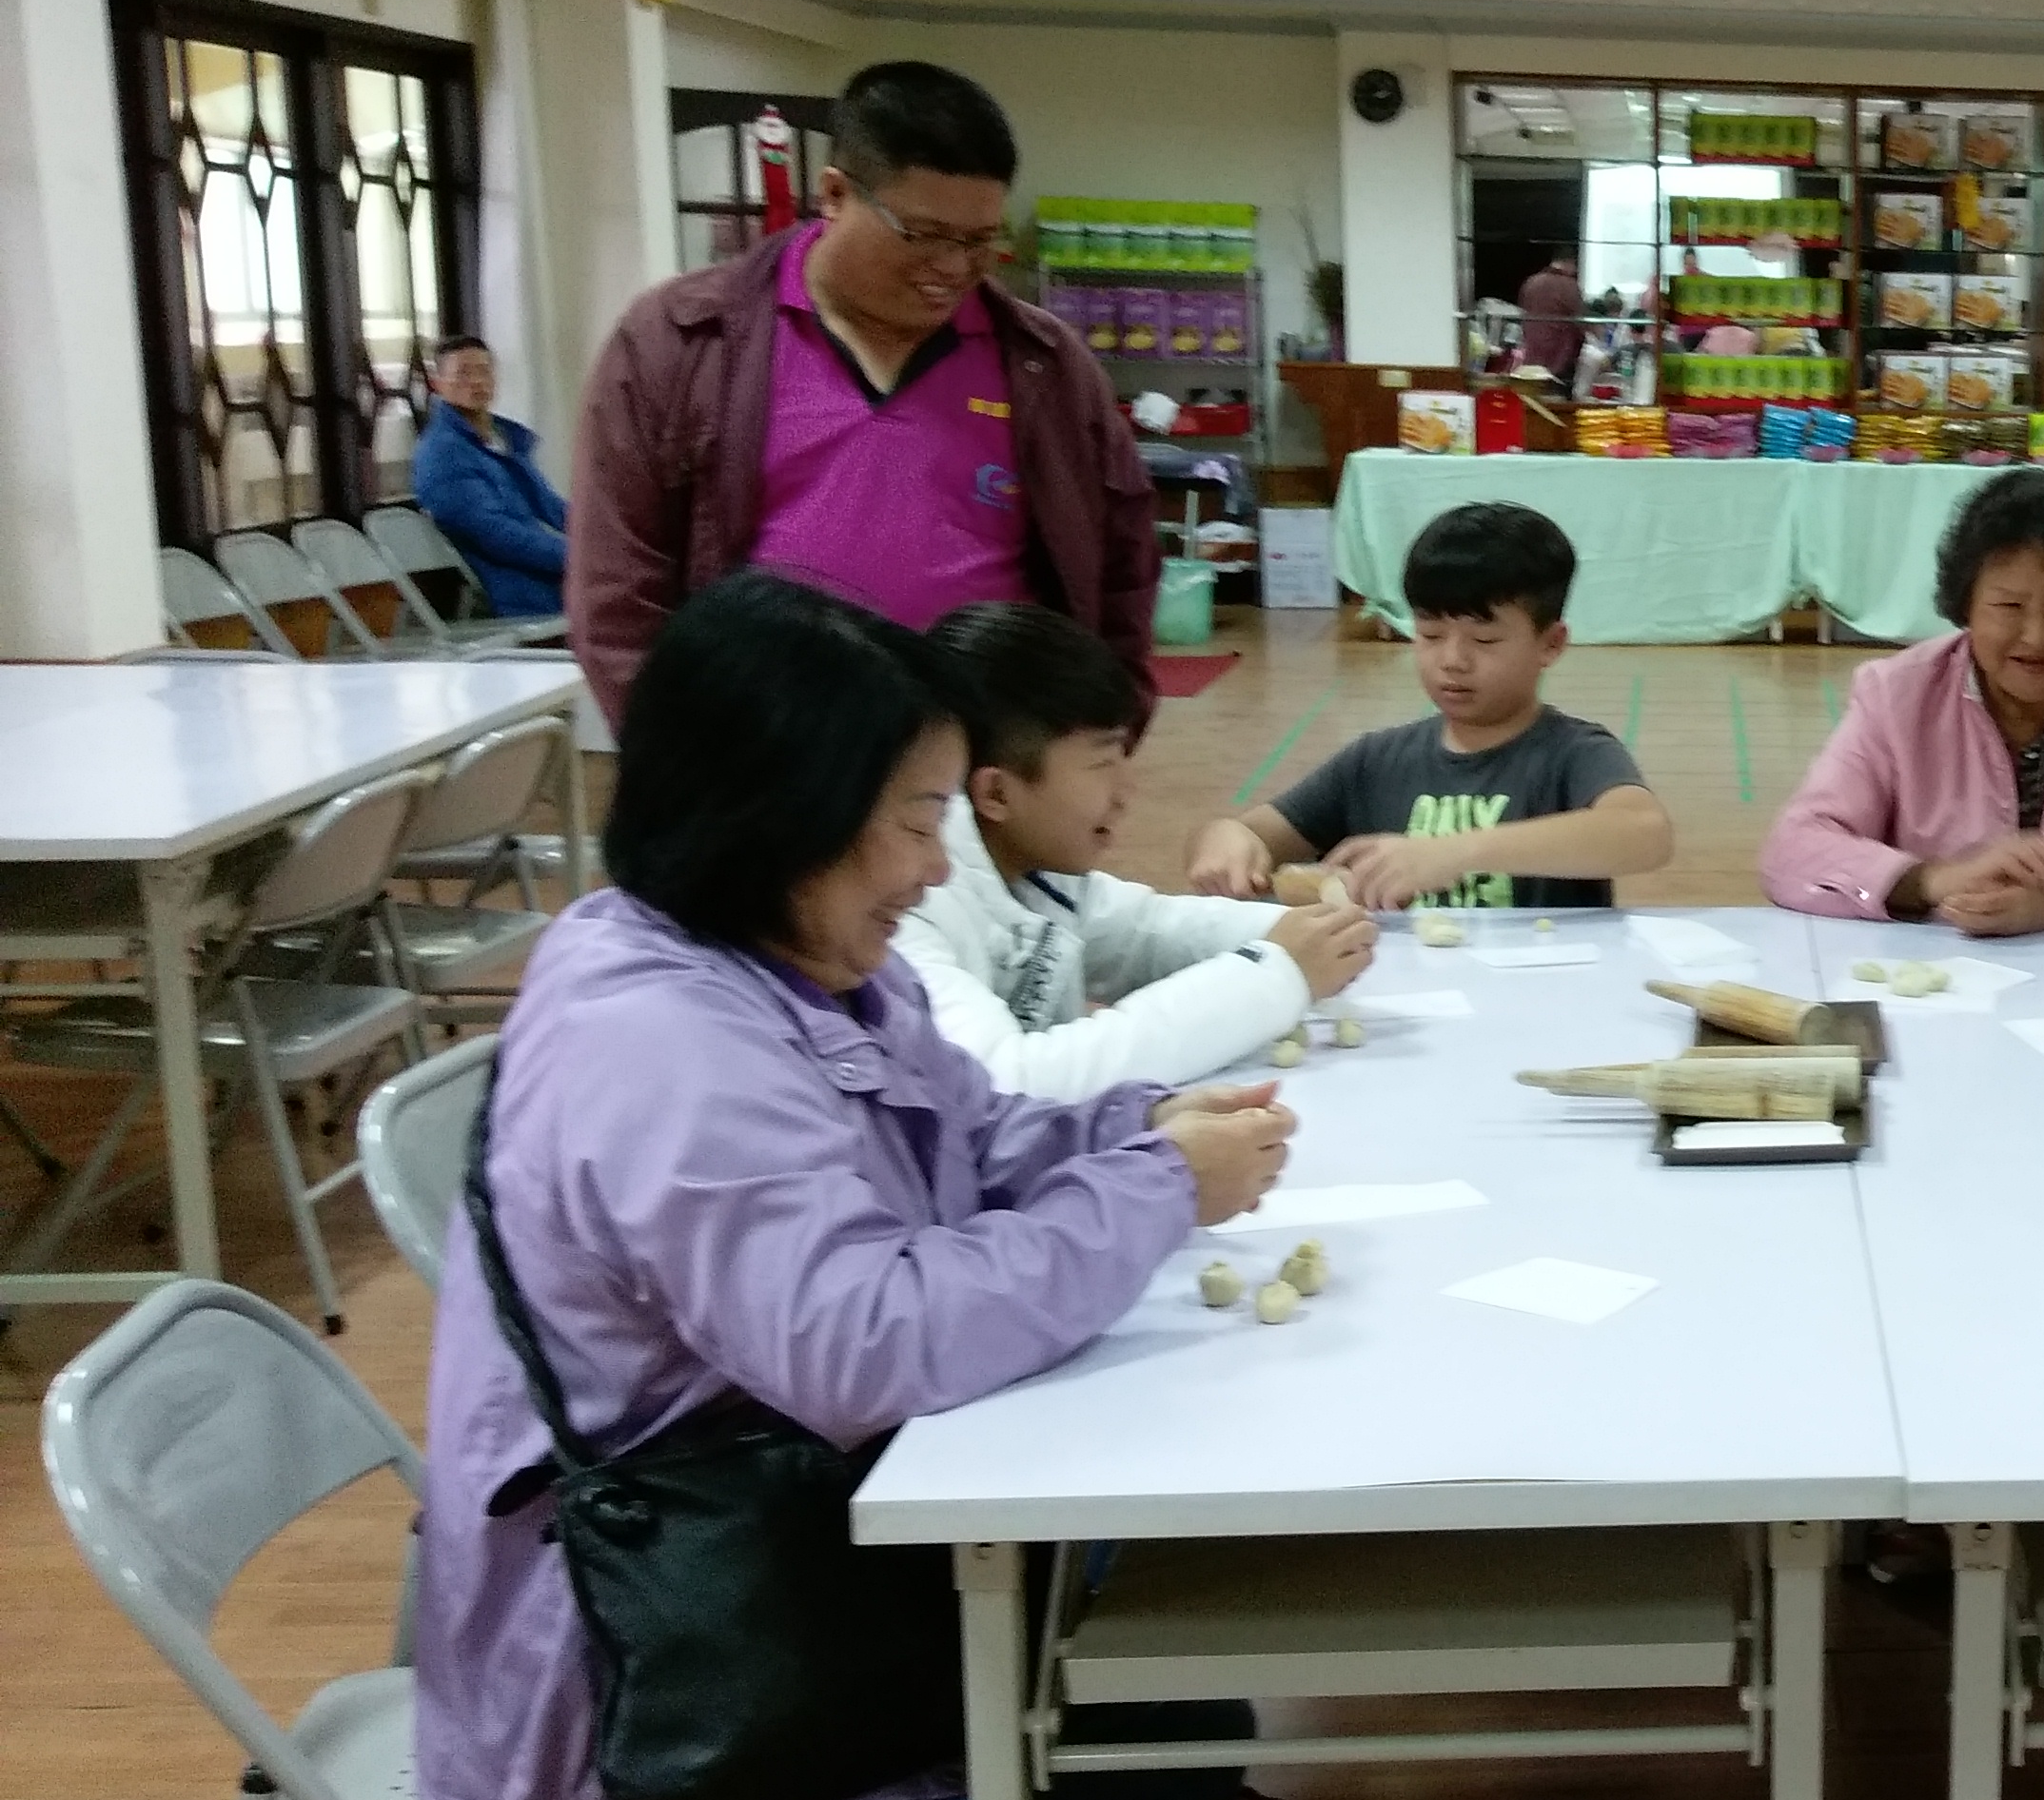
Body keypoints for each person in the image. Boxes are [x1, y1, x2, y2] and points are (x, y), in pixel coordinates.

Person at [411, 574, 1300, 1800]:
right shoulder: (663, 1041)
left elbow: (975, 1134)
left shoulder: (800, 963)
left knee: (1166, 1725)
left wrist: (1142, 1131)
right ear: (775, 813)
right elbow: (864, 1341)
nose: (931, 862)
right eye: (909, 817)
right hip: (669, 1675)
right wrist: (1151, 1192)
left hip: (822, 1562)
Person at [567, 60, 1160, 724]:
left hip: (992, 760)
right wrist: (694, 769)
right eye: (926, 235)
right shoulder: (681, 342)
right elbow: (617, 590)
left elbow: (1125, 559)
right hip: (771, 760)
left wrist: (1104, 728)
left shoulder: (1043, 363)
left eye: (979, 241)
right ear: (835, 194)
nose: (953, 267)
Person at [900, 600, 1379, 1100]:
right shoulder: (909, 909)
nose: (1128, 791)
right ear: (996, 794)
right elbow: (1011, 1083)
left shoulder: (1028, 866)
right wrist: (1278, 976)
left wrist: (1293, 934)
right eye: (1104, 761)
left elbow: (1144, 933)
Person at [1759, 467, 2044, 933]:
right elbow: (1795, 848)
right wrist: (1934, 880)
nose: (2038, 637)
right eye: (2009, 607)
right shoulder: (1897, 695)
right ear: (1965, 605)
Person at [1188, 500, 1673, 908]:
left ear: (1550, 644)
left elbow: (1643, 834)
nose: (1453, 661)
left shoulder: (1572, 753)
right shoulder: (1377, 761)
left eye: (1484, 640)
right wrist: (1226, 839)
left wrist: (1453, 853)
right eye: (1431, 634)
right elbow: (1250, 834)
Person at [410, 334, 567, 616]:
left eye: (484, 371)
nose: (477, 382)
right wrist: (579, 556)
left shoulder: (503, 439)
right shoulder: (443, 453)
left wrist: (604, 538)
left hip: (550, 576)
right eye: (463, 374)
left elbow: (551, 506)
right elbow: (495, 534)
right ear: (438, 384)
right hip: (513, 589)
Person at [1516, 247, 1585, 379]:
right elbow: (1580, 322)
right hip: (1559, 357)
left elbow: (1522, 313)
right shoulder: (1569, 286)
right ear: (1570, 263)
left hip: (1531, 352)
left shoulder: (1531, 282)